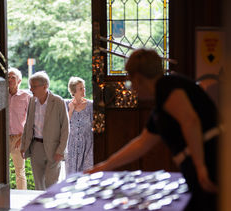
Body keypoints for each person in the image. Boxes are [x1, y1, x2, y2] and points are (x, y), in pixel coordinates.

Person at [86, 48, 220, 211]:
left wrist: (200, 166)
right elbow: (141, 144)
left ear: (139, 78)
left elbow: (190, 122)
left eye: (130, 81)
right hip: (202, 165)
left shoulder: (166, 86)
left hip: (210, 161)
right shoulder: (161, 103)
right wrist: (103, 166)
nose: (132, 87)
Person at [20, 71, 69, 190]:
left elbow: (65, 128)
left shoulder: (58, 101)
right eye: (30, 86)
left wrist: (61, 150)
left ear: (45, 86)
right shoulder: (32, 101)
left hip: (54, 148)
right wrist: (23, 145)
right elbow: (27, 125)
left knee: (52, 183)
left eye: (34, 86)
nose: (31, 89)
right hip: (36, 146)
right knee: (38, 183)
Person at [7, 67, 31, 190]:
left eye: (13, 77)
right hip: (3, 137)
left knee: (20, 171)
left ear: (19, 81)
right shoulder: (1, 96)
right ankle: (2, 198)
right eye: (8, 77)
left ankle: (23, 197)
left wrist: (23, 138)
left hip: (18, 138)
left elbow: (31, 120)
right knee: (0, 171)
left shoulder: (26, 97)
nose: (10, 80)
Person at [65, 77, 93, 175]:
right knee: (72, 176)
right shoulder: (66, 104)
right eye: (80, 88)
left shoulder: (90, 105)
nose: (84, 90)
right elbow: (63, 125)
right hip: (72, 145)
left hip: (88, 146)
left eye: (83, 87)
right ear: (73, 91)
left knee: (87, 174)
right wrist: (71, 110)